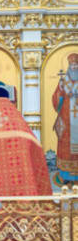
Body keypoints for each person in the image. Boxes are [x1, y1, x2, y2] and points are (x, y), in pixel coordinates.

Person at [52, 53, 78, 184]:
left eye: (76, 65)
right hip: (66, 118)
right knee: (65, 143)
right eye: (71, 65)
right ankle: (66, 176)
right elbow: (56, 99)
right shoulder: (64, 81)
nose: (73, 67)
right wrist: (60, 91)